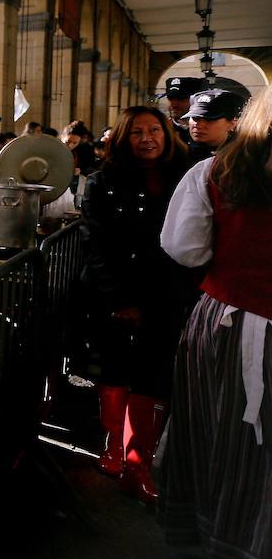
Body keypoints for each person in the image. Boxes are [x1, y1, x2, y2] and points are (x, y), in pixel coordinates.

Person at [158, 86, 272, 559]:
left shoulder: (218, 171)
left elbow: (186, 248)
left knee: (221, 436)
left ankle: (215, 548)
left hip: (232, 321)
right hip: (239, 321)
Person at [78, 106, 194, 501]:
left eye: (154, 130)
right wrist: (117, 298)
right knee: (114, 370)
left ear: (167, 134)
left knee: (154, 376)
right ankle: (113, 445)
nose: (147, 138)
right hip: (115, 293)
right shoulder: (102, 181)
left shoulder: (186, 176)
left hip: (167, 294)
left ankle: (138, 461)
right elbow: (95, 242)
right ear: (123, 138)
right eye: (137, 132)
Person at [183, 88, 242, 161]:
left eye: (209, 119)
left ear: (232, 124)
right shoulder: (176, 151)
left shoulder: (242, 156)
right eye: (195, 118)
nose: (199, 125)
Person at [161, 76, 203, 145]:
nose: (173, 105)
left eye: (180, 99)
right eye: (170, 98)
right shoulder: (162, 130)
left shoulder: (207, 130)